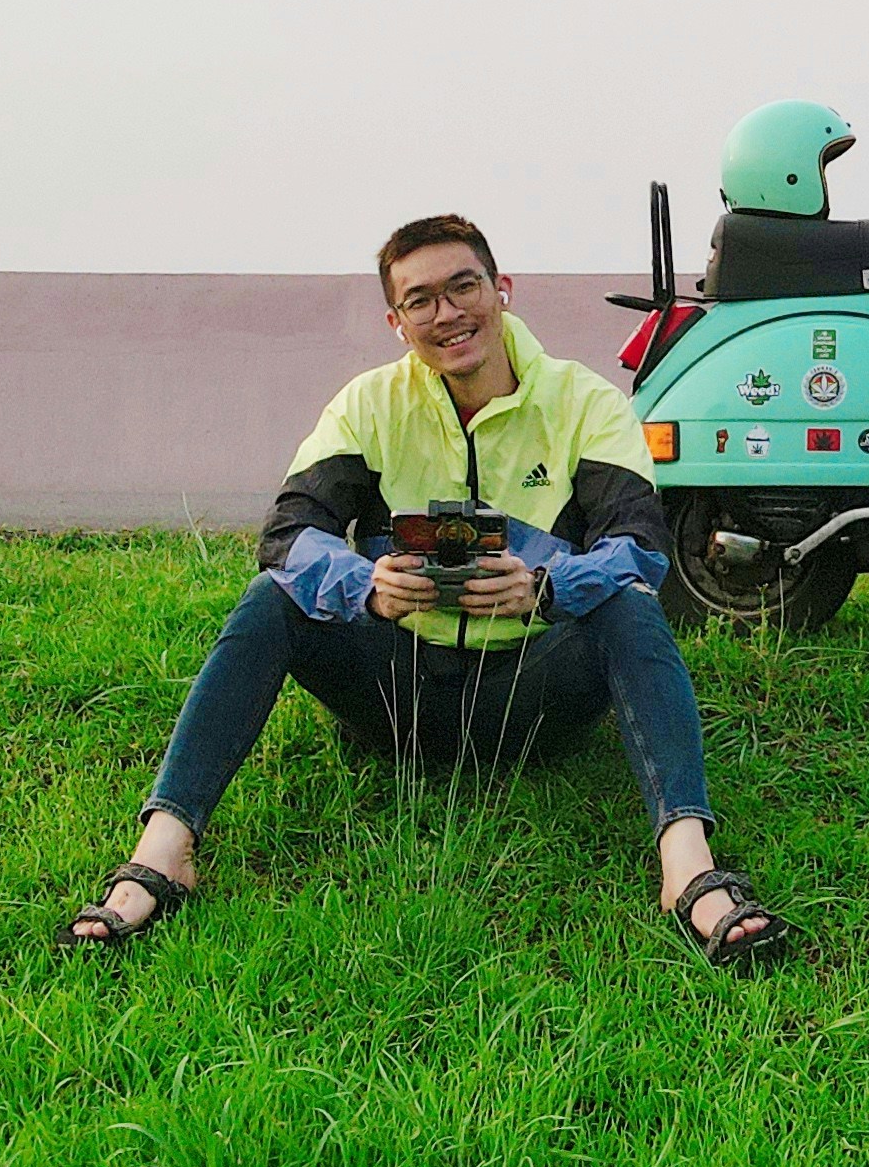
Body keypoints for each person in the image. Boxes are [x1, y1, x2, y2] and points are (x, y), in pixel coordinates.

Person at [63, 213, 794, 969]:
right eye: (420, 300)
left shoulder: (584, 401)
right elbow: (288, 535)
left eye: (463, 286)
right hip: (396, 700)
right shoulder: (370, 404)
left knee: (628, 606)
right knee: (271, 597)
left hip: (531, 697)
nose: (447, 314)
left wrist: (543, 589)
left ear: (501, 289)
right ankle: (163, 853)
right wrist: (366, 586)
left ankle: (688, 871)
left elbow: (641, 552)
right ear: (396, 321)